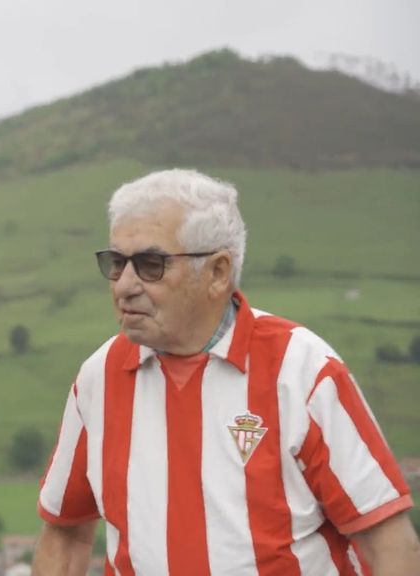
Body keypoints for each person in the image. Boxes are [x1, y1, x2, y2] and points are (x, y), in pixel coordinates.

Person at [31, 169, 419, 575]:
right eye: (116, 262)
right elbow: (65, 533)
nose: (124, 285)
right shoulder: (99, 377)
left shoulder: (302, 371)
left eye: (150, 264)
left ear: (217, 272)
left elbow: (388, 543)